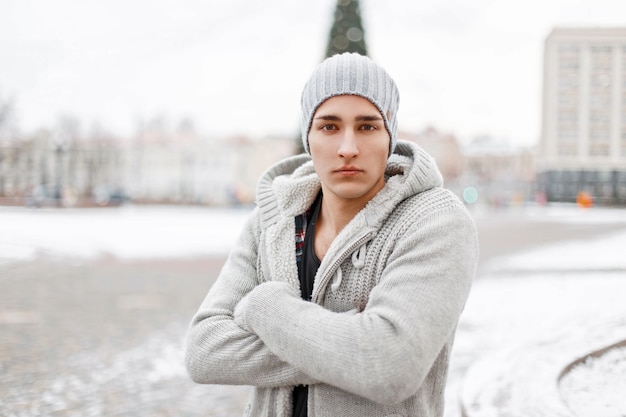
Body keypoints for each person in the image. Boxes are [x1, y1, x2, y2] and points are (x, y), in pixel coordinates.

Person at [185, 52, 479, 417]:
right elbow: (204, 351)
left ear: (390, 135)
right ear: (308, 137)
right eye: (329, 126)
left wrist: (266, 308)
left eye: (368, 126)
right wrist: (352, 346)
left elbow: (390, 368)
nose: (348, 148)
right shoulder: (270, 220)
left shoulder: (434, 221)